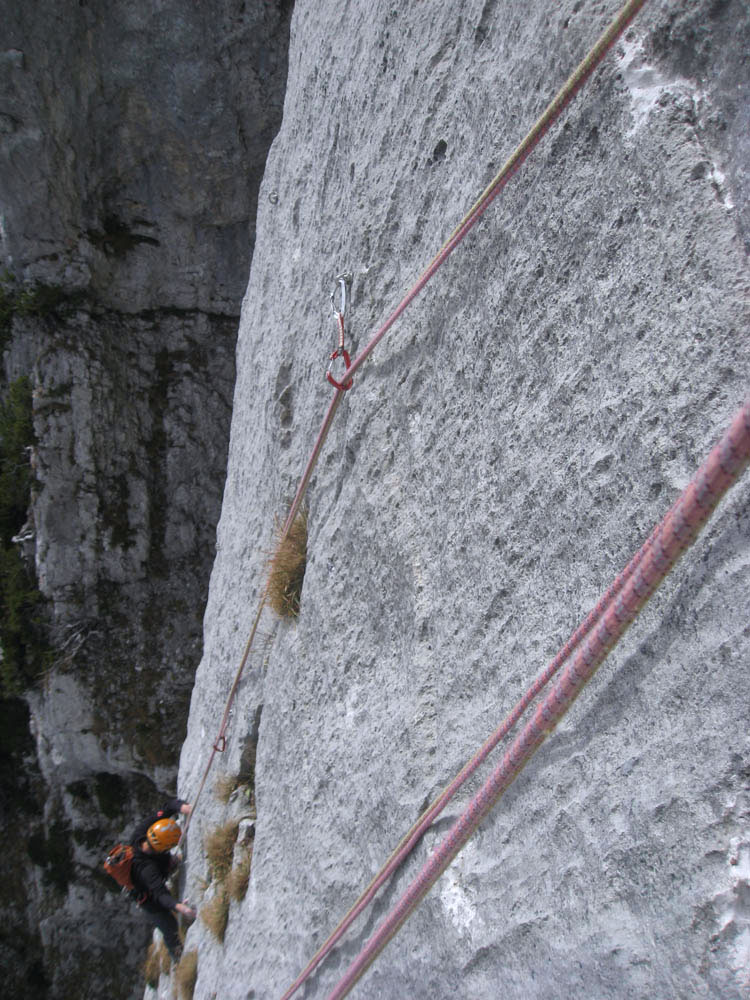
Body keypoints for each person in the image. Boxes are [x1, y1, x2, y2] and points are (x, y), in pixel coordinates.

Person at [130, 797, 196, 962]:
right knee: (170, 928)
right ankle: (177, 958)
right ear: (162, 849)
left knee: (169, 864)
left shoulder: (144, 830)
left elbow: (167, 807)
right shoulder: (147, 869)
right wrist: (179, 907)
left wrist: (183, 808)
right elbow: (160, 894)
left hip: (158, 870)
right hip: (149, 899)